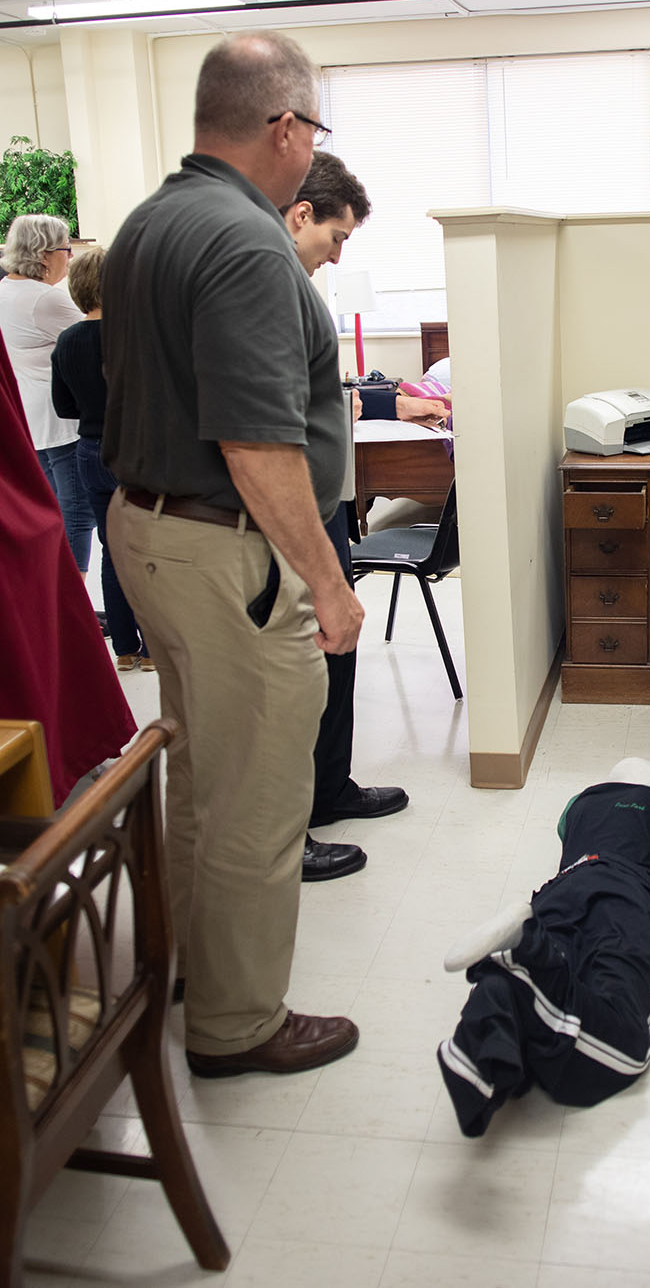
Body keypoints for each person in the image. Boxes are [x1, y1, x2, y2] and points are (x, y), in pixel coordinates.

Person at [101, 31, 365, 1077]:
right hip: (224, 548)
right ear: (287, 129)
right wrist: (330, 585)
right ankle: (236, 1020)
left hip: (150, 535)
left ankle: (180, 967)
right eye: (315, 130)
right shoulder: (250, 243)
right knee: (258, 794)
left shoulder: (151, 221)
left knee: (201, 773)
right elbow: (257, 446)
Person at [278, 151, 449, 881]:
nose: (339, 253)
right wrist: (390, 401)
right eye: (336, 236)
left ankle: (330, 788)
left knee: (336, 658)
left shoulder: (299, 286)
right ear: (301, 214)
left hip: (324, 506)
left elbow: (330, 390)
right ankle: (296, 823)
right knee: (303, 670)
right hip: (295, 518)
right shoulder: (268, 285)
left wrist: (386, 398)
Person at [437, 757, 650, 1137]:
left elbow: (564, 836)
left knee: (555, 946)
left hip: (564, 885)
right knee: (623, 1027)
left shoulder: (579, 803)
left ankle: (497, 1001)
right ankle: (532, 953)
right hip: (630, 895)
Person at [50, 247, 153, 673]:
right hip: (136, 451)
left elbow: (63, 406)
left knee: (113, 551)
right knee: (150, 551)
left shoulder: (68, 341)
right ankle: (153, 650)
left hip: (90, 451)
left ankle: (125, 648)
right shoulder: (135, 335)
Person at [0, 213, 94, 573]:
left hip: (33, 417)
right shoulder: (43, 299)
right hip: (59, 419)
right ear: (44, 253)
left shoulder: (5, 289)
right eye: (66, 250)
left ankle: (63, 599)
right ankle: (73, 606)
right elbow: (98, 335)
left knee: (57, 510)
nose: (69, 258)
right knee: (78, 515)